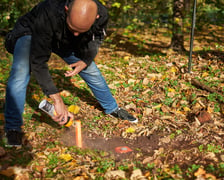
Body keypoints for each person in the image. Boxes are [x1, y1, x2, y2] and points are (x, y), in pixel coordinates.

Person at [4, 0, 138, 147]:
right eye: (73, 27)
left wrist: (85, 60)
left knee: (89, 68)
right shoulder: (48, 10)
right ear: (67, 9)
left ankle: (112, 108)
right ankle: (13, 128)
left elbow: (96, 39)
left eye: (81, 30)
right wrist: (57, 100)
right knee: (21, 71)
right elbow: (38, 60)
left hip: (64, 39)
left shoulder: (102, 14)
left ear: (96, 18)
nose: (76, 33)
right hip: (31, 32)